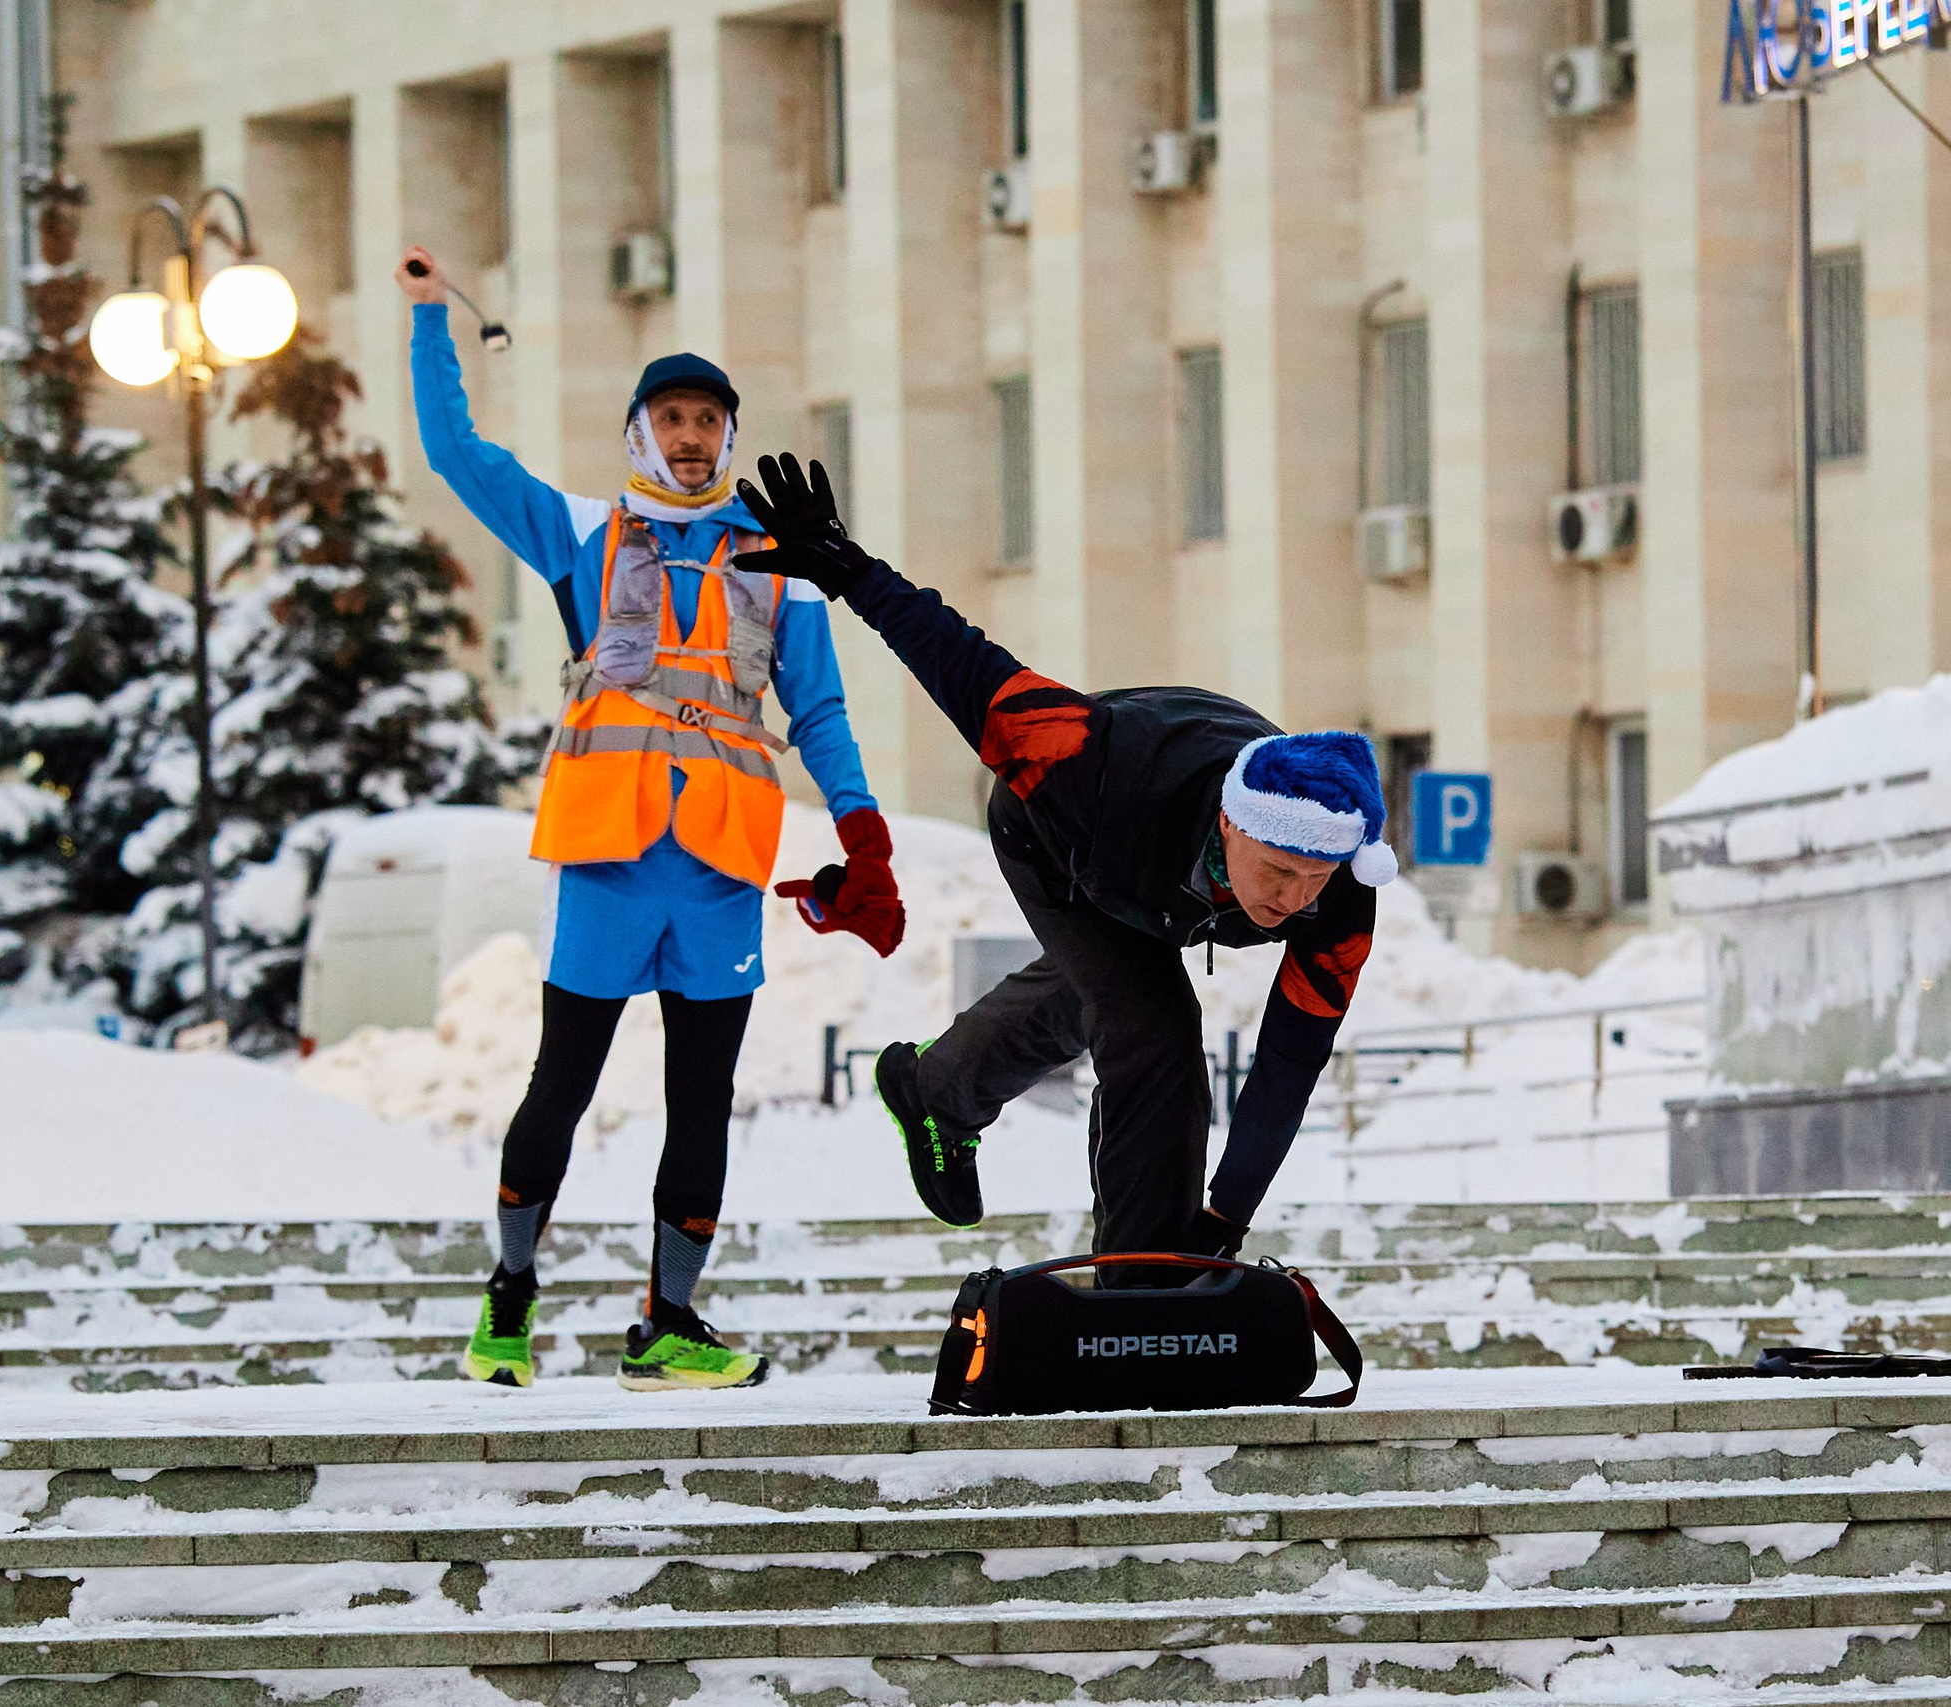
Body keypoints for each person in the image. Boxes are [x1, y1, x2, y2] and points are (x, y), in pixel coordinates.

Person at [400, 248, 905, 1390]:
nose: (689, 436)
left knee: (700, 1102)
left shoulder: (783, 570)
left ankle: (667, 1323)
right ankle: (508, 1301)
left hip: (721, 865)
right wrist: (434, 320)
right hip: (609, 859)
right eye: (670, 417)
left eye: (707, 421)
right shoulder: (584, 532)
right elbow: (455, 456)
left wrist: (862, 833)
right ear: (639, 433)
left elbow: (817, 714)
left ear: (729, 439)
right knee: (560, 1086)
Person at [733, 454, 1392, 1273]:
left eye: (1313, 881)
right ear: (1231, 823)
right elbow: (965, 662)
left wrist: (1225, 1215)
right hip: (1060, 843)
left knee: (1112, 986)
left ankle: (938, 1090)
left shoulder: (1342, 890)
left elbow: (1292, 1058)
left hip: (1161, 881)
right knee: (1151, 1024)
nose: (1294, 901)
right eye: (1277, 871)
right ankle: (1142, 1280)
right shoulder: (1088, 760)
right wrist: (850, 570)